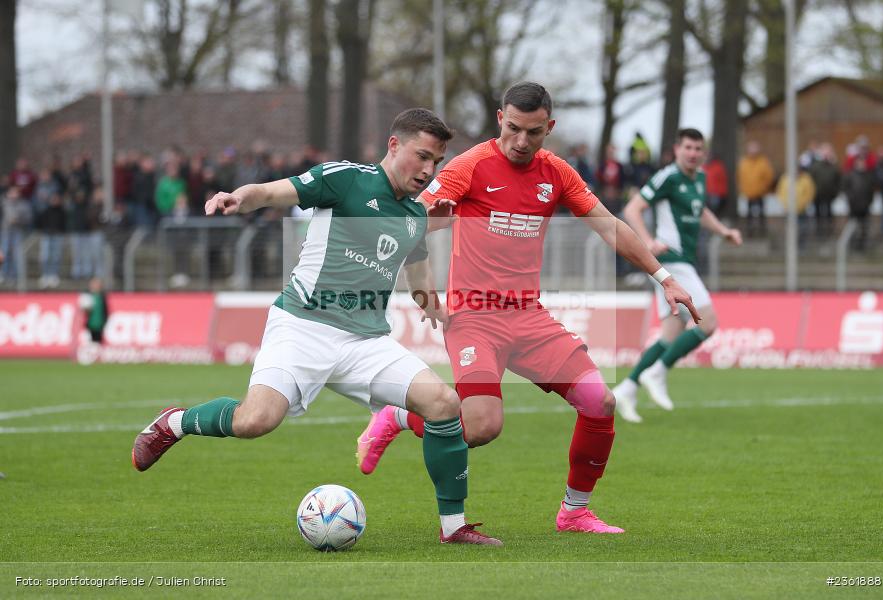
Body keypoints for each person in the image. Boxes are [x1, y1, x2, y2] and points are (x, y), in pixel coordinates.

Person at [131, 108, 501, 546]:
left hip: (365, 341)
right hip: (302, 327)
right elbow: (272, 192)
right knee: (255, 420)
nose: (427, 169)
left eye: (436, 162)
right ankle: (175, 423)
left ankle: (453, 527)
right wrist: (239, 197)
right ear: (394, 145)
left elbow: (416, 271)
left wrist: (432, 305)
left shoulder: (415, 215)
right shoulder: (344, 179)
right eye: (422, 156)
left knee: (443, 402)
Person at [355, 82, 700, 535]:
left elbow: (610, 227)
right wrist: (428, 235)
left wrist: (665, 277)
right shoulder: (470, 166)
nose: (520, 141)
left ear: (549, 128)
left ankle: (574, 512)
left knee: (600, 401)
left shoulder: (556, 173)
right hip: (473, 316)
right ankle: (398, 416)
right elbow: (413, 220)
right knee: (480, 427)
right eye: (513, 128)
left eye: (533, 132)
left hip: (529, 317)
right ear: (500, 118)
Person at [612, 128, 742, 423]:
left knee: (670, 334)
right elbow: (632, 209)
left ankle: (628, 387)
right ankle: (657, 373)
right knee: (707, 322)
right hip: (671, 261)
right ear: (676, 149)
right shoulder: (667, 177)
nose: (693, 153)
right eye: (688, 148)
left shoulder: (700, 178)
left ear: (703, 153)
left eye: (698, 149)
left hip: (682, 261)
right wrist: (647, 241)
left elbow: (700, 211)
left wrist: (723, 231)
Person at [737, 140, 775, 237]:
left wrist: (764, 187)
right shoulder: (744, 162)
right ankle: (750, 233)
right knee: (749, 215)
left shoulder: (763, 162)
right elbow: (740, 177)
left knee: (761, 214)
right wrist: (743, 188)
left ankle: (762, 232)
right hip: (749, 193)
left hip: (760, 193)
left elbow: (769, 176)